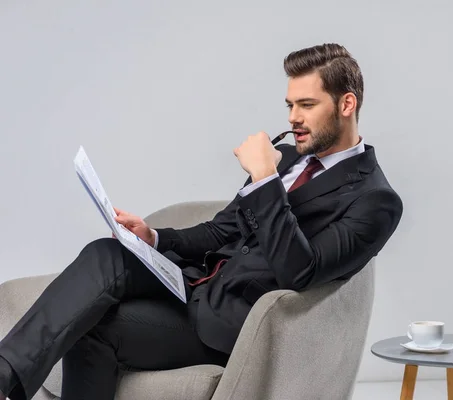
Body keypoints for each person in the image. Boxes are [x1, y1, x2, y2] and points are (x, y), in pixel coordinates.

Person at [0, 42, 403, 400]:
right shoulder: (293, 157)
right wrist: (155, 237)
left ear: (346, 104)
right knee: (107, 252)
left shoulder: (376, 201)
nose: (294, 117)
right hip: (191, 282)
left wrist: (266, 179)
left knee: (93, 329)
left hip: (225, 325)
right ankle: (4, 377)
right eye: (290, 105)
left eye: (307, 105)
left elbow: (299, 272)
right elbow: (223, 228)